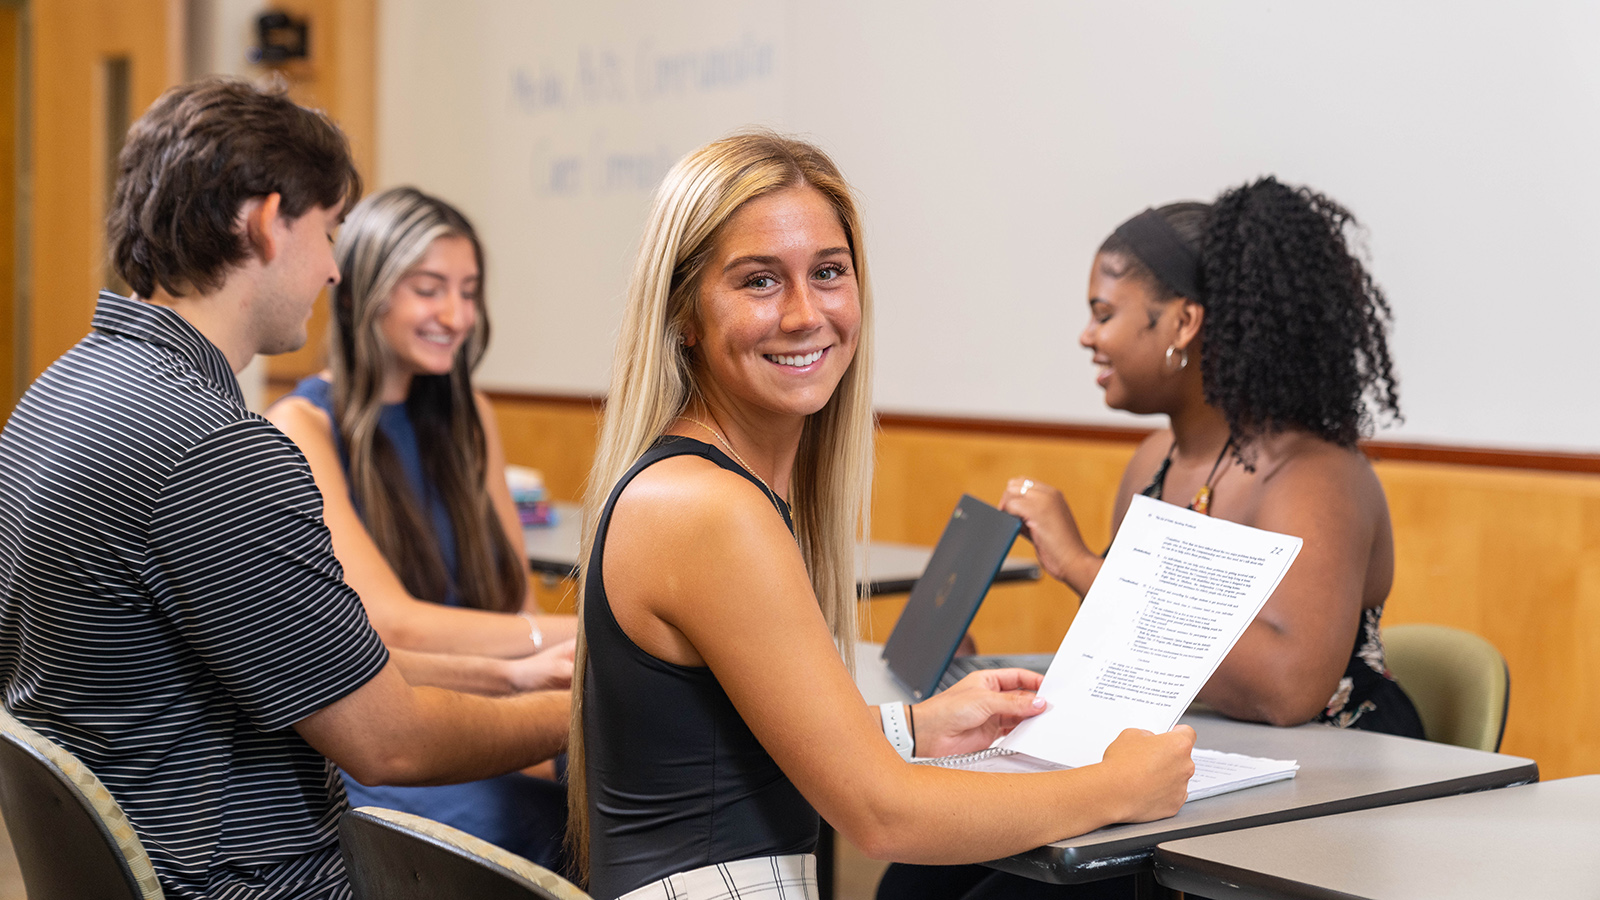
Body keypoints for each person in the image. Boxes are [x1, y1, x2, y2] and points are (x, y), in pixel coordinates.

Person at [569, 131, 1197, 900]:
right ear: (685, 314)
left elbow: (727, 748)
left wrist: (913, 729)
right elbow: (883, 817)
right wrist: (1120, 786)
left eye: (828, 273)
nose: (805, 314)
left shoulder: (704, 486)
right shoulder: (708, 509)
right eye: (760, 281)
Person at [0, 78, 569, 900]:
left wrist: (511, 676)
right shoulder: (211, 448)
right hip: (257, 880)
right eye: (330, 232)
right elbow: (391, 744)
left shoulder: (58, 394)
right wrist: (591, 708)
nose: (335, 269)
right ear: (267, 221)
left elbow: (310, 654)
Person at [998, 181, 1422, 737]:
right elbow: (1139, 657)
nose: (1087, 336)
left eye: (1104, 314)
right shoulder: (1154, 462)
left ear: (1183, 323)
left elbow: (1287, 690)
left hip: (1346, 784)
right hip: (1208, 761)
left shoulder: (1314, 476)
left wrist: (1081, 567)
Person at [265, 186, 574, 868]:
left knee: (643, 802)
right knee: (554, 829)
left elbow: (510, 597)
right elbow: (391, 625)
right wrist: (592, 631)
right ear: (362, 293)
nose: (457, 315)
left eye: (469, 292)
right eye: (429, 289)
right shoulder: (301, 427)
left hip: (494, 707)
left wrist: (544, 684)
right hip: (394, 737)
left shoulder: (473, 417)